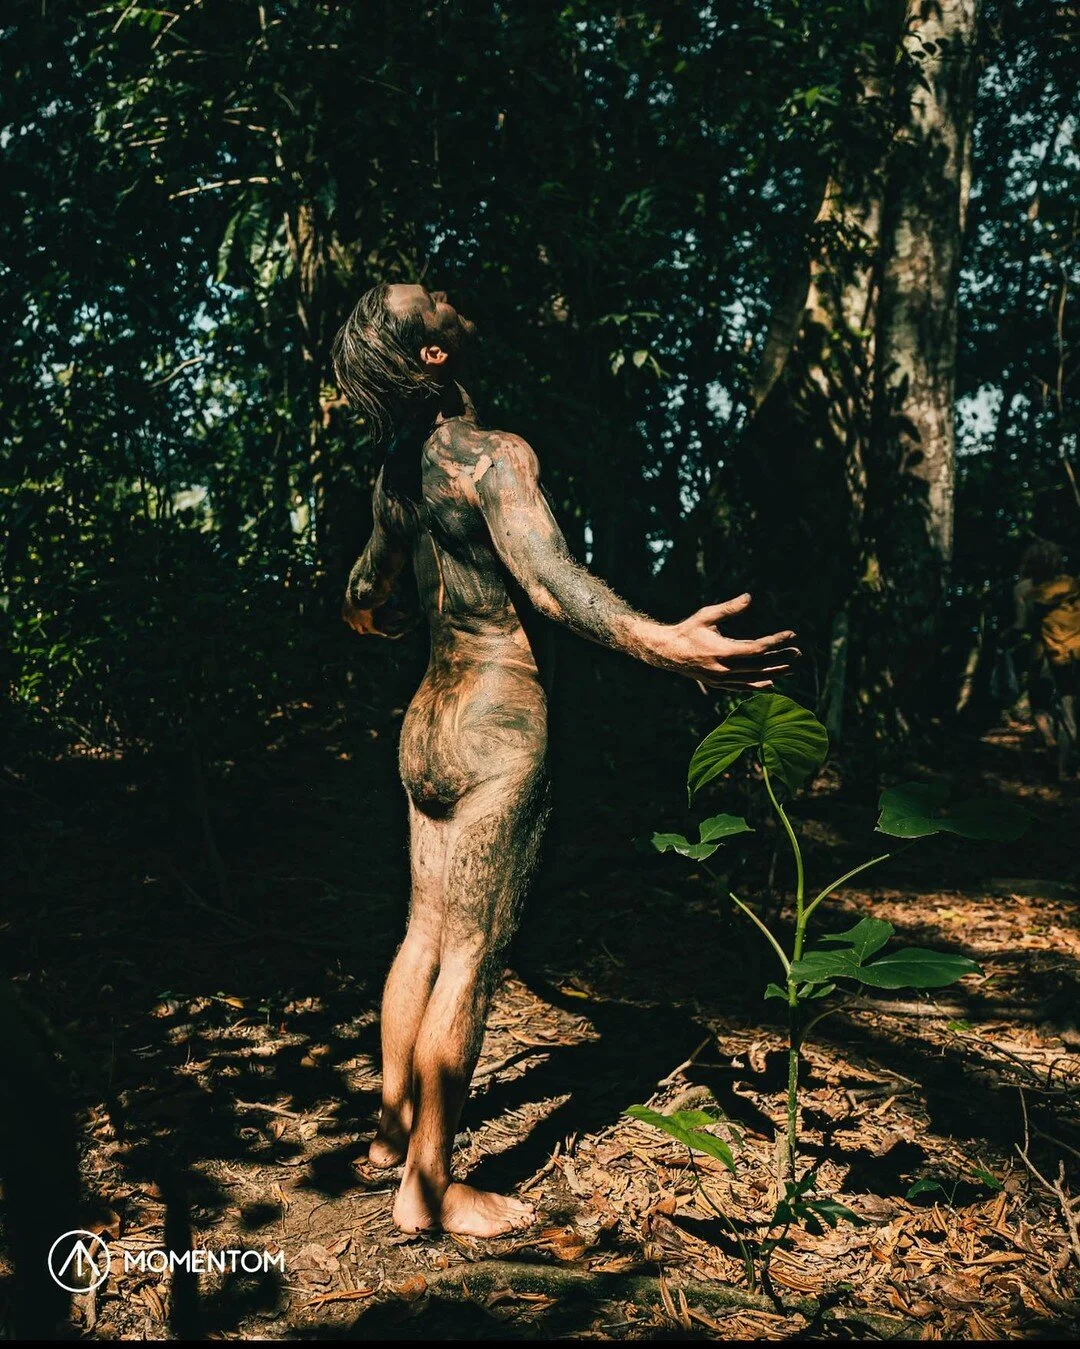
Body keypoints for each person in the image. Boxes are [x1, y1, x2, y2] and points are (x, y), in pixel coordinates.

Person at [332, 283, 799, 1236]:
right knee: (469, 950)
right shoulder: (494, 456)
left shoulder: (395, 475)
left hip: (426, 724)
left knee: (421, 934)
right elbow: (549, 584)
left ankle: (388, 1134)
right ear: (432, 356)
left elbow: (366, 589)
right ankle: (429, 1187)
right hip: (497, 723)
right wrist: (667, 642)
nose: (449, 296)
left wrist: (375, 618)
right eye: (432, 301)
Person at [1010, 540, 1080, 779]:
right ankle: (1068, 765)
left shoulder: (1024, 589)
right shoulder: (1070, 583)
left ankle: (1049, 740)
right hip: (1075, 651)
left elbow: (1021, 624)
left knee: (1040, 703)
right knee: (1069, 708)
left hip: (1043, 653)